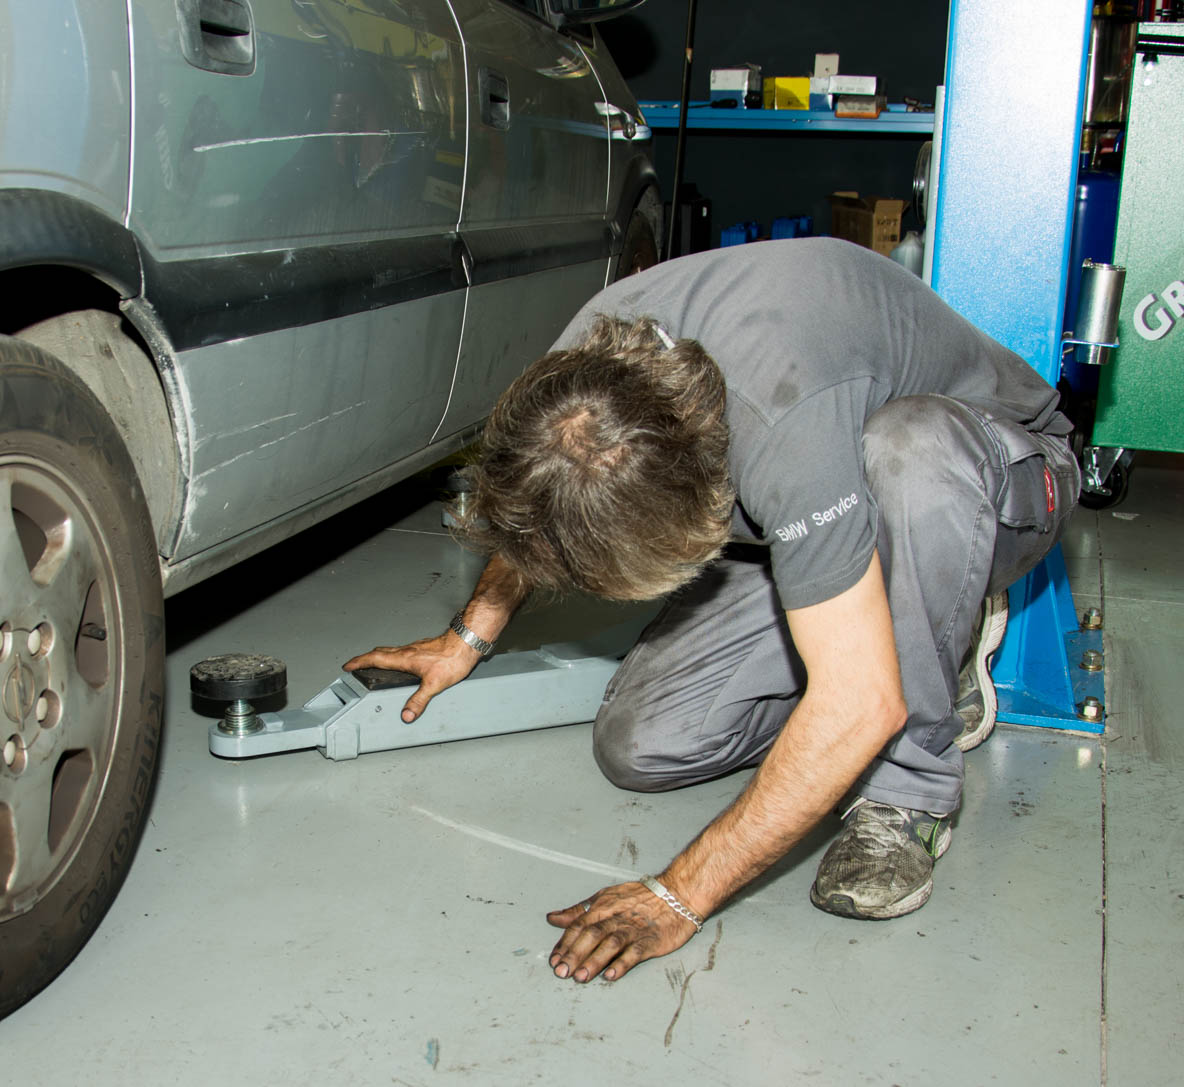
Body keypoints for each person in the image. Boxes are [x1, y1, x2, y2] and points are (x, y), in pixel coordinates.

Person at [347, 237, 1076, 985]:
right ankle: (871, 633)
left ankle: (911, 774)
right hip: (807, 517)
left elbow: (861, 703)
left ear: (693, 513)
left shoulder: (786, 416)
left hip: (994, 476)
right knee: (645, 745)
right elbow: (546, 501)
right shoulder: (577, 382)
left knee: (905, 455)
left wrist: (678, 893)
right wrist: (467, 636)